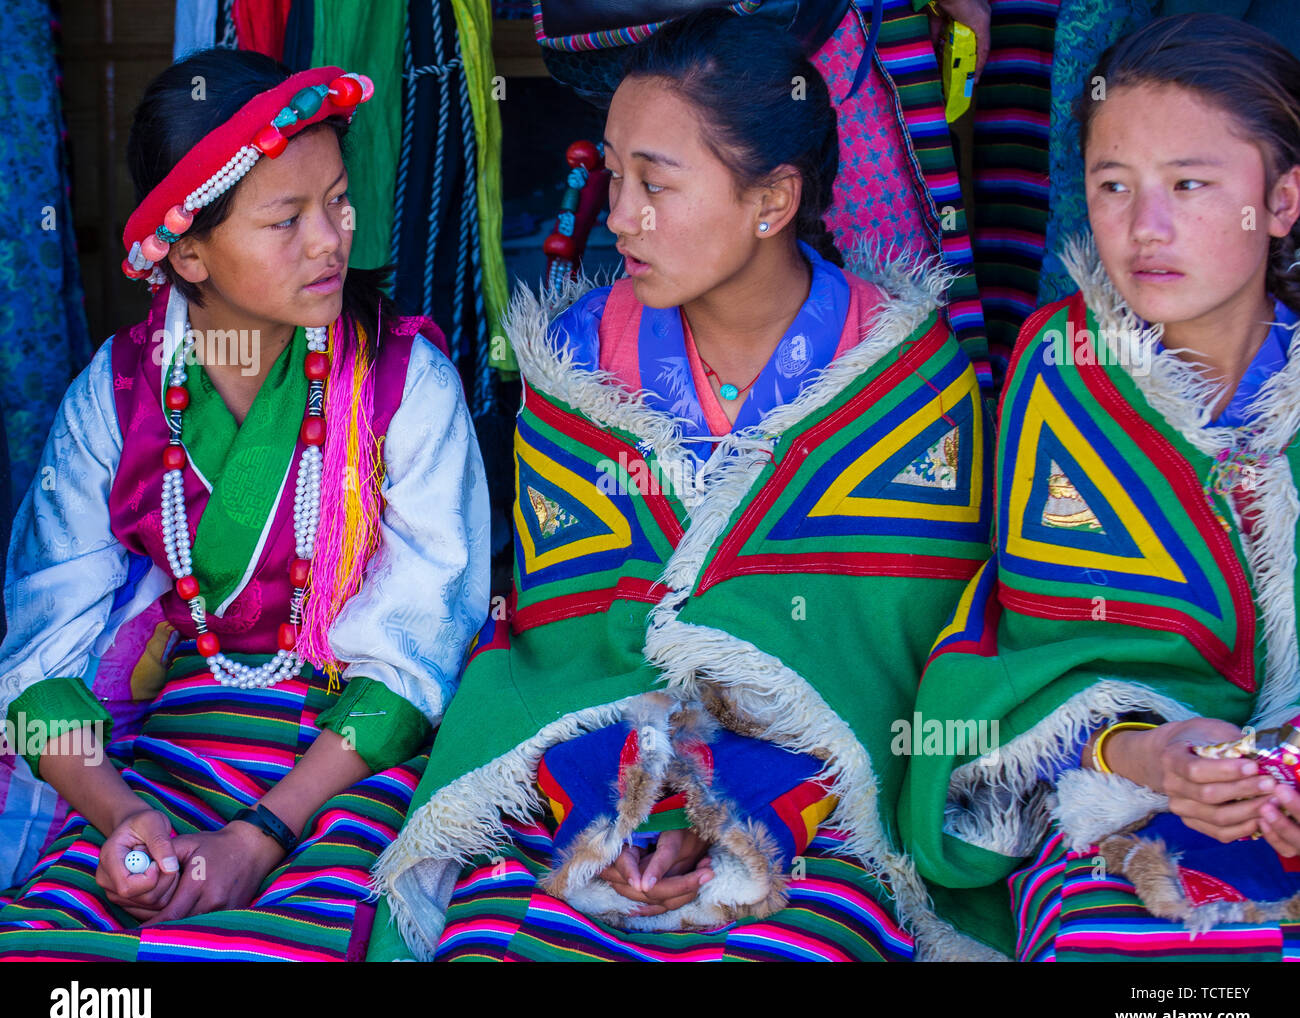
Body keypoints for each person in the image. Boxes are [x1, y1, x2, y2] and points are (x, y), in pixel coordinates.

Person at [370, 11, 996, 962]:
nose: (618, 215)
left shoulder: (900, 377)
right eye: (614, 174)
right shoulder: (581, 363)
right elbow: (569, 641)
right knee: (510, 935)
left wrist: (733, 798)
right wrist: (635, 796)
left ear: (773, 199)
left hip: (829, 794)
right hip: (601, 771)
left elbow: (893, 656)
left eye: (655, 184)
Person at [0, 48, 490, 961]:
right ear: (188, 249)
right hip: (169, 744)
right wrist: (126, 820)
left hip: (351, 756)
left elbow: (419, 654)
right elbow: (39, 657)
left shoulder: (404, 383)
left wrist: (258, 834)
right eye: (286, 219)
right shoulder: (115, 397)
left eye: (338, 201)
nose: (331, 239)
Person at [900, 14, 1300, 960]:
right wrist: (1149, 752)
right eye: (1111, 186)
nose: (1142, 228)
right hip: (1117, 808)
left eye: (1190, 186)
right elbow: (1033, 651)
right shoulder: (1065, 367)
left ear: (1282, 201)